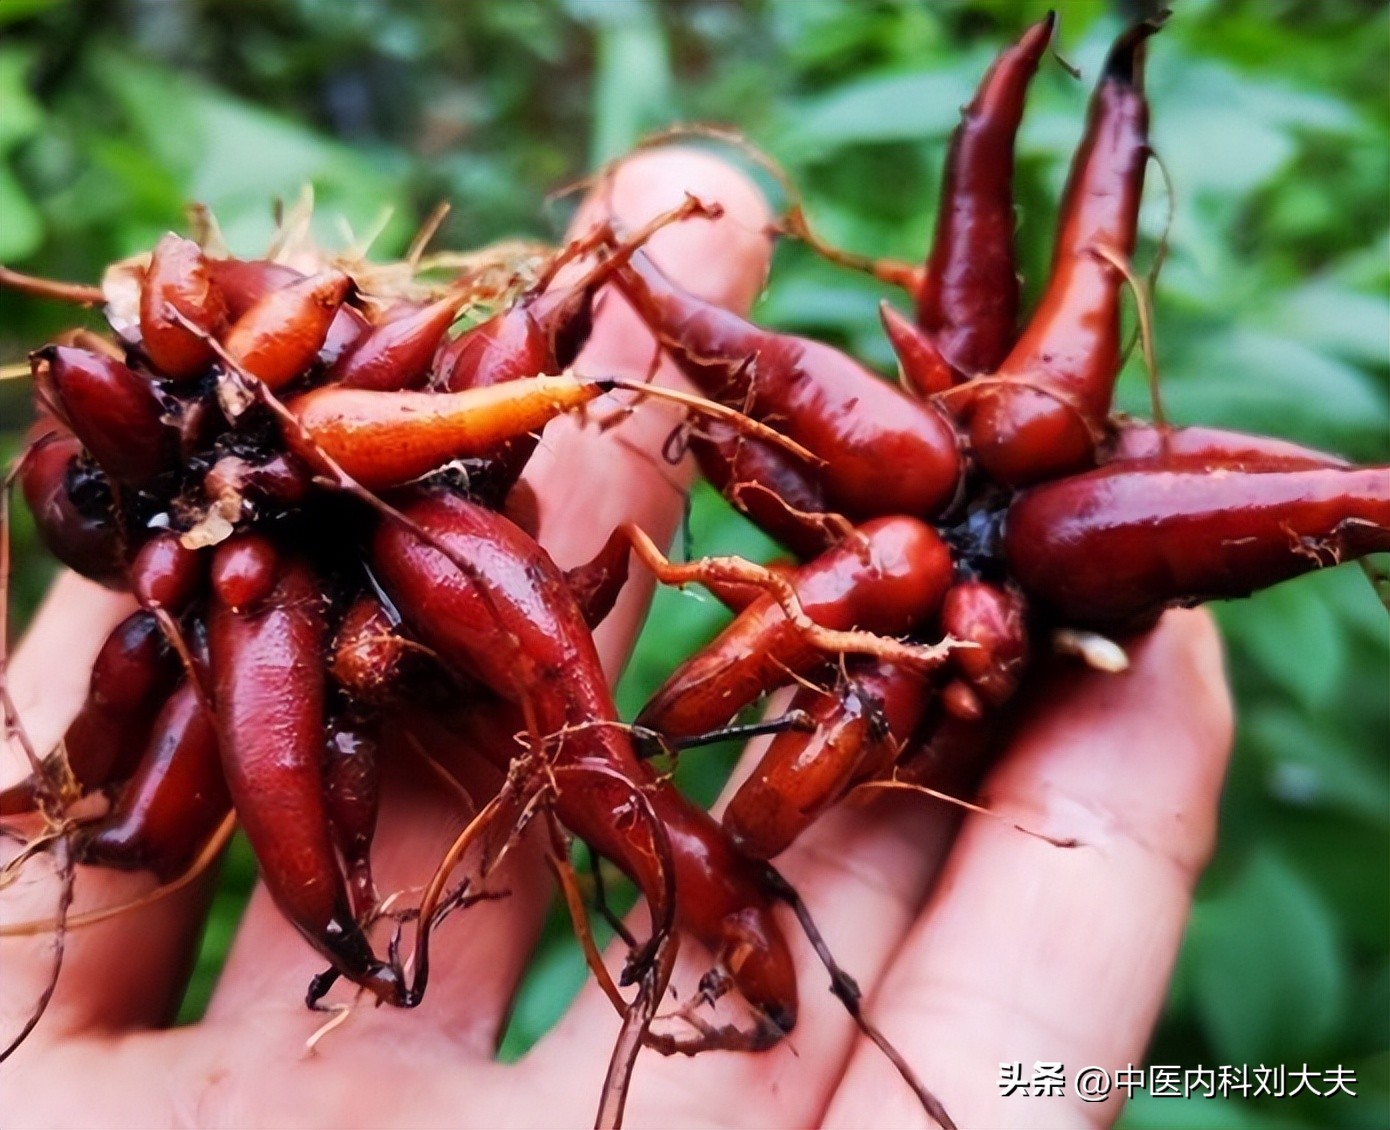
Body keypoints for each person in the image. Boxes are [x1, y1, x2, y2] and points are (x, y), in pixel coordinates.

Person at [1, 149, 1233, 1128]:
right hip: (350, 542)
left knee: (567, 726)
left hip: (398, 515)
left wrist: (543, 338)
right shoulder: (245, 562)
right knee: (504, 720)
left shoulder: (366, 470)